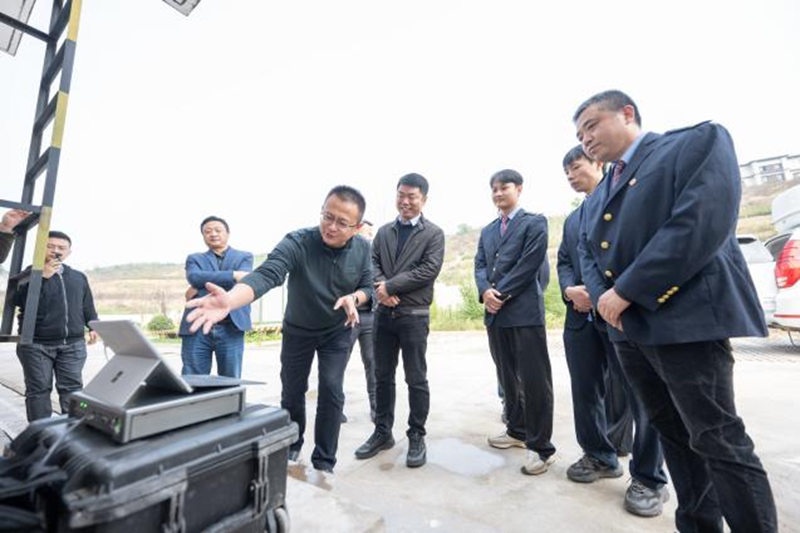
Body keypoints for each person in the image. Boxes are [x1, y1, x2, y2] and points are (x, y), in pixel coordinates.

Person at [574, 89, 777, 532]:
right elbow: (589, 253)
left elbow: (698, 222)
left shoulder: (693, 143)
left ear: (627, 113)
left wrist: (625, 290)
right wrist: (607, 302)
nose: (585, 139)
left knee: (716, 436)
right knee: (674, 435)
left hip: (684, 321)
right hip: (627, 329)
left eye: (591, 125)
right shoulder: (598, 194)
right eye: (579, 134)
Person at [186, 186, 372, 474]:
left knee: (332, 390)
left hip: (336, 331)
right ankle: (293, 444)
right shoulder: (298, 241)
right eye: (327, 216)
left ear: (357, 227)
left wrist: (355, 298)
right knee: (293, 390)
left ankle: (324, 462)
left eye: (342, 223)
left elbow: (368, 287)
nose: (331, 227)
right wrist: (231, 300)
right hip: (298, 330)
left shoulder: (363, 249)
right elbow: (267, 274)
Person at [559, 145, 668, 517]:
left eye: (576, 167)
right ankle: (599, 455)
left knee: (643, 397)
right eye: (566, 172)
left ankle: (649, 477)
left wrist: (601, 294)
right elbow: (564, 261)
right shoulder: (572, 219)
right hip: (580, 319)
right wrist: (570, 290)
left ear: (598, 164)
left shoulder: (625, 200)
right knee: (585, 392)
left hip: (622, 314)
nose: (571, 176)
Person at [354, 173, 445, 468]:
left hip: (413, 316)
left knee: (416, 378)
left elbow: (428, 269)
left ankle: (416, 434)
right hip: (384, 316)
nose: (405, 201)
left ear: (424, 200)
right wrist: (382, 289)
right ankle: (382, 432)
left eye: (412, 197)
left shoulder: (434, 234)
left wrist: (390, 287)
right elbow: (372, 264)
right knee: (382, 376)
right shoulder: (383, 232)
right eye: (401, 195)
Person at [475, 169, 556, 476]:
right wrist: (485, 291)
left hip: (524, 313)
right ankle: (516, 430)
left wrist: (501, 293)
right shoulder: (487, 230)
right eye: (493, 188)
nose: (498, 193)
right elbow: (480, 265)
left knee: (535, 381)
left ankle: (541, 448)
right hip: (495, 315)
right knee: (507, 377)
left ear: (519, 189)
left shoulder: (535, 222)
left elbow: (529, 264)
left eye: (504, 187)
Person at [14, 231, 98, 421]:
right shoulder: (28, 274)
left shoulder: (78, 277)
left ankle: (73, 430)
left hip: (73, 345)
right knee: (39, 390)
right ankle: (40, 432)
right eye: (50, 246)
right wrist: (42, 277)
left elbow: (87, 305)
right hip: (36, 344)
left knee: (73, 389)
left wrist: (93, 325)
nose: (56, 251)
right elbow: (18, 301)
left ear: (69, 252)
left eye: (61, 248)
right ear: (41, 248)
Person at [179, 216, 253, 378]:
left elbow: (245, 281)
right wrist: (234, 275)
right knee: (193, 379)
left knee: (230, 380)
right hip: (196, 328)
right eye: (207, 231)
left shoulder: (244, 256)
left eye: (217, 230)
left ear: (227, 233)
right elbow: (194, 278)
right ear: (203, 236)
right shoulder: (194, 258)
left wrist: (201, 283)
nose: (213, 234)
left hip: (231, 327)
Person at [345, 221, 377, 423]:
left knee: (372, 363)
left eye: (371, 234)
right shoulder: (345, 253)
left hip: (370, 316)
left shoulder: (374, 256)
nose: (369, 238)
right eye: (366, 233)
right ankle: (335, 407)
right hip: (348, 317)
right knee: (338, 362)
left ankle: (376, 407)